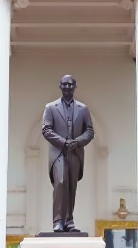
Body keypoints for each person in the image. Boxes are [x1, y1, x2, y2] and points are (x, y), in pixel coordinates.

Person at [42, 74, 95, 232]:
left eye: (70, 84)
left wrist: (77, 142)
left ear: (75, 87)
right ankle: (58, 220)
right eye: (64, 84)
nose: (67, 87)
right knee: (61, 182)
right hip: (58, 152)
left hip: (75, 153)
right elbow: (46, 130)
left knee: (71, 186)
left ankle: (69, 221)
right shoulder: (51, 108)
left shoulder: (83, 109)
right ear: (60, 86)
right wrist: (63, 142)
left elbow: (90, 131)